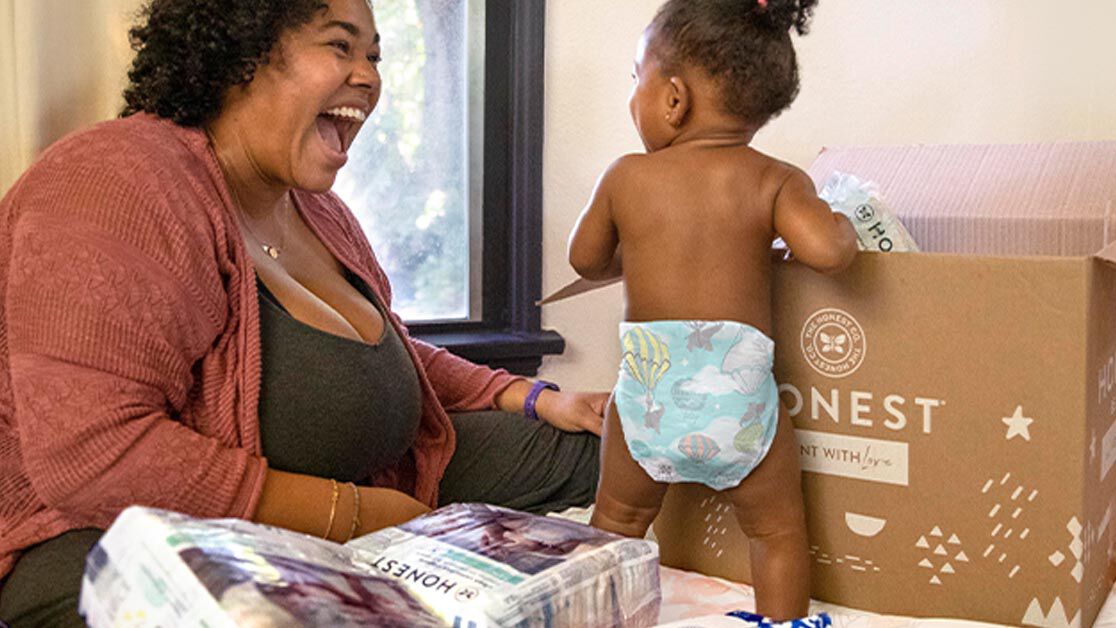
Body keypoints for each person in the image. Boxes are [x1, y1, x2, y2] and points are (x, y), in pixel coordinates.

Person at [0, 0, 604, 624]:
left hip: (364, 492)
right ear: (243, 53)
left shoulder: (319, 212)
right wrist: (353, 518)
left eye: (374, 55)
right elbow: (94, 455)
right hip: (112, 548)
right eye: (340, 47)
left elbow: (379, 348)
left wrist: (532, 398)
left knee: (606, 451)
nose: (369, 76)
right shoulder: (116, 180)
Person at [567, 0, 856, 620]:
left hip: (650, 398)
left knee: (616, 520)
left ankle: (594, 615)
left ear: (673, 98)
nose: (631, 95)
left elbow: (585, 260)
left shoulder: (626, 177)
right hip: (739, 401)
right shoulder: (773, 179)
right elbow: (828, 251)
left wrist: (640, 252)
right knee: (777, 533)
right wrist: (844, 223)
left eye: (634, 75)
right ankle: (784, 622)